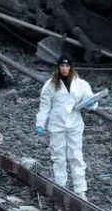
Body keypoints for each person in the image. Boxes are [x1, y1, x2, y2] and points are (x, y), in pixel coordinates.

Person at [35, 56, 95, 200]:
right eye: (62, 66)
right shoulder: (50, 85)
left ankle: (80, 191)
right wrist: (40, 123)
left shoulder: (81, 84)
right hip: (57, 124)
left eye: (67, 66)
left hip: (75, 123)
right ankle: (60, 188)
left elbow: (91, 100)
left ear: (71, 67)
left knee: (76, 156)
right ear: (58, 67)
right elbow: (45, 106)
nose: (64, 69)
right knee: (58, 157)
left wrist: (91, 105)